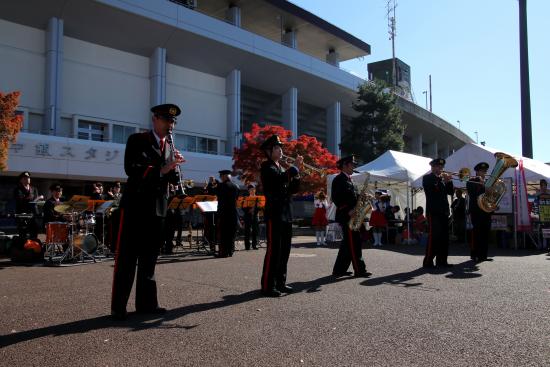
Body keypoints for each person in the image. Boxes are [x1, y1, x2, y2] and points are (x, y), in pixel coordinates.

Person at [111, 103, 185, 320]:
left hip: (158, 208)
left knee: (149, 259)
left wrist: (175, 168)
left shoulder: (169, 146)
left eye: (173, 121)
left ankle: (147, 305)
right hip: (136, 206)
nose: (170, 124)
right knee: (126, 258)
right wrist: (163, 168)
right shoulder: (138, 140)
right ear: (155, 119)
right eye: (166, 120)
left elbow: (167, 177)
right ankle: (118, 306)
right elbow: (132, 168)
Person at [259, 134, 302, 297]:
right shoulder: (267, 167)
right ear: (269, 151)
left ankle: (280, 282)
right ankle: (267, 286)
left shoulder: (282, 168)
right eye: (277, 148)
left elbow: (292, 190)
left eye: (280, 147)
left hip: (286, 213)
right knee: (274, 250)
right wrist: (295, 168)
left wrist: (297, 175)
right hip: (275, 214)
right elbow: (278, 180)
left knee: (285, 251)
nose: (281, 150)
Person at [331, 155, 369, 277]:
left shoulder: (348, 179)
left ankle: (339, 270)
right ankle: (360, 270)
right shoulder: (339, 179)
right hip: (347, 215)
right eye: (352, 164)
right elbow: (337, 198)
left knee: (347, 244)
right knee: (354, 243)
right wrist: (348, 210)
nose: (354, 167)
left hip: (352, 214)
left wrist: (363, 197)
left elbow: (351, 197)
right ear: (345, 165)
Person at [422, 158, 454, 268]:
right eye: (438, 167)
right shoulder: (427, 178)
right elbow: (432, 191)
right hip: (433, 212)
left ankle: (442, 261)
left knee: (444, 238)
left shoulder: (442, 180)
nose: (440, 169)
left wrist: (449, 181)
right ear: (433, 167)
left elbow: (450, 192)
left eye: (441, 167)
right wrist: (442, 180)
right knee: (434, 237)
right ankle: (428, 261)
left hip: (444, 211)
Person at [467, 162, 493, 262]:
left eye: (485, 171)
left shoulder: (488, 182)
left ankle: (483, 255)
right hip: (476, 210)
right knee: (477, 232)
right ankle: (475, 254)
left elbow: (490, 197)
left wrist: (493, 204)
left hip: (486, 211)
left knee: (485, 233)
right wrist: (482, 185)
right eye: (482, 171)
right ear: (477, 171)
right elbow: (473, 194)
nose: (484, 173)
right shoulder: (471, 181)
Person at [214, 170, 240, 257]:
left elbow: (217, 195)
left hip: (224, 213)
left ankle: (223, 252)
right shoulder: (236, 186)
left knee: (223, 234)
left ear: (224, 176)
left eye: (221, 176)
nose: (220, 178)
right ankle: (230, 251)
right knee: (231, 233)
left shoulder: (221, 186)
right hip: (233, 213)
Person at [13, 171, 43, 239]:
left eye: (28, 177)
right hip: (23, 216)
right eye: (25, 178)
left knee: (34, 235)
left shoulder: (34, 189)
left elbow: (35, 202)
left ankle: (33, 248)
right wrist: (36, 198)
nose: (27, 179)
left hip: (33, 216)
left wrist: (37, 199)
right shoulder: (18, 190)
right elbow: (20, 201)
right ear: (21, 180)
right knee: (23, 236)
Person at [242, 183, 259, 250]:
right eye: (250, 189)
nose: (252, 190)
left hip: (255, 216)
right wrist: (249, 210)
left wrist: (256, 207)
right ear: (248, 190)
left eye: (253, 189)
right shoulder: (246, 198)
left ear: (255, 190)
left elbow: (261, 207)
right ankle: (247, 246)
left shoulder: (258, 198)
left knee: (255, 231)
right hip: (247, 216)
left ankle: (254, 245)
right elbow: (243, 207)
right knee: (247, 231)